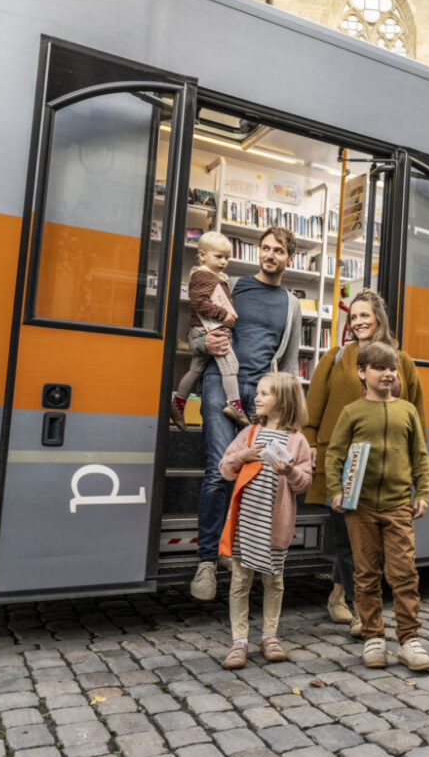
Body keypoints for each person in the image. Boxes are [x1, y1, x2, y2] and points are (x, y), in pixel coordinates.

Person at [303, 289, 425, 634]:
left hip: (385, 470)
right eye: (352, 317)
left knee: (370, 545)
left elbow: (416, 415)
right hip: (340, 462)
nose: (357, 322)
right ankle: (361, 612)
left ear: (379, 319)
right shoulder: (336, 357)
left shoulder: (402, 361)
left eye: (364, 316)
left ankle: (339, 597)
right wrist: (311, 443)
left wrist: (416, 467)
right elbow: (313, 407)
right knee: (346, 539)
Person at [192, 226, 302, 601]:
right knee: (219, 469)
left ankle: (236, 549)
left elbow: (288, 363)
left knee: (255, 474)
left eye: (278, 251)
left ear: (290, 258)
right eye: (265, 248)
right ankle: (207, 560)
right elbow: (197, 327)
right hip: (219, 383)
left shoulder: (291, 303)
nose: (270, 255)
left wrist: (286, 413)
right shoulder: (233, 285)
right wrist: (202, 341)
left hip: (262, 395)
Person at [327, 341, 429, 670]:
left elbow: (420, 455)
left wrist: (422, 492)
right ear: (362, 372)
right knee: (366, 575)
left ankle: (409, 640)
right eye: (379, 368)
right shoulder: (352, 412)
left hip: (399, 505)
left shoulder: (407, 411)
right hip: (360, 509)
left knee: (404, 574)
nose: (388, 374)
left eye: (392, 369)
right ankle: (373, 637)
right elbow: (335, 454)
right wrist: (335, 490)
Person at [216, 371, 313, 669]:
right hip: (247, 523)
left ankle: (269, 636)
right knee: (240, 580)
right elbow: (224, 468)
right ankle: (239, 641)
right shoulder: (250, 434)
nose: (256, 398)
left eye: (264, 393)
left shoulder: (298, 441)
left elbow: (304, 483)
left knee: (274, 581)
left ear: (283, 400)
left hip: (275, 524)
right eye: (258, 392)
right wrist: (243, 455)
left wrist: (290, 473)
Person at [170, 232, 249, 433]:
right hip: (210, 331)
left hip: (205, 330)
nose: (224, 262)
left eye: (227, 257)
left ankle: (178, 403)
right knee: (231, 365)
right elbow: (198, 303)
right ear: (203, 255)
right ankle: (235, 405)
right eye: (219, 256)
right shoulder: (203, 276)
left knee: (196, 369)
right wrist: (223, 315)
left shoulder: (213, 276)